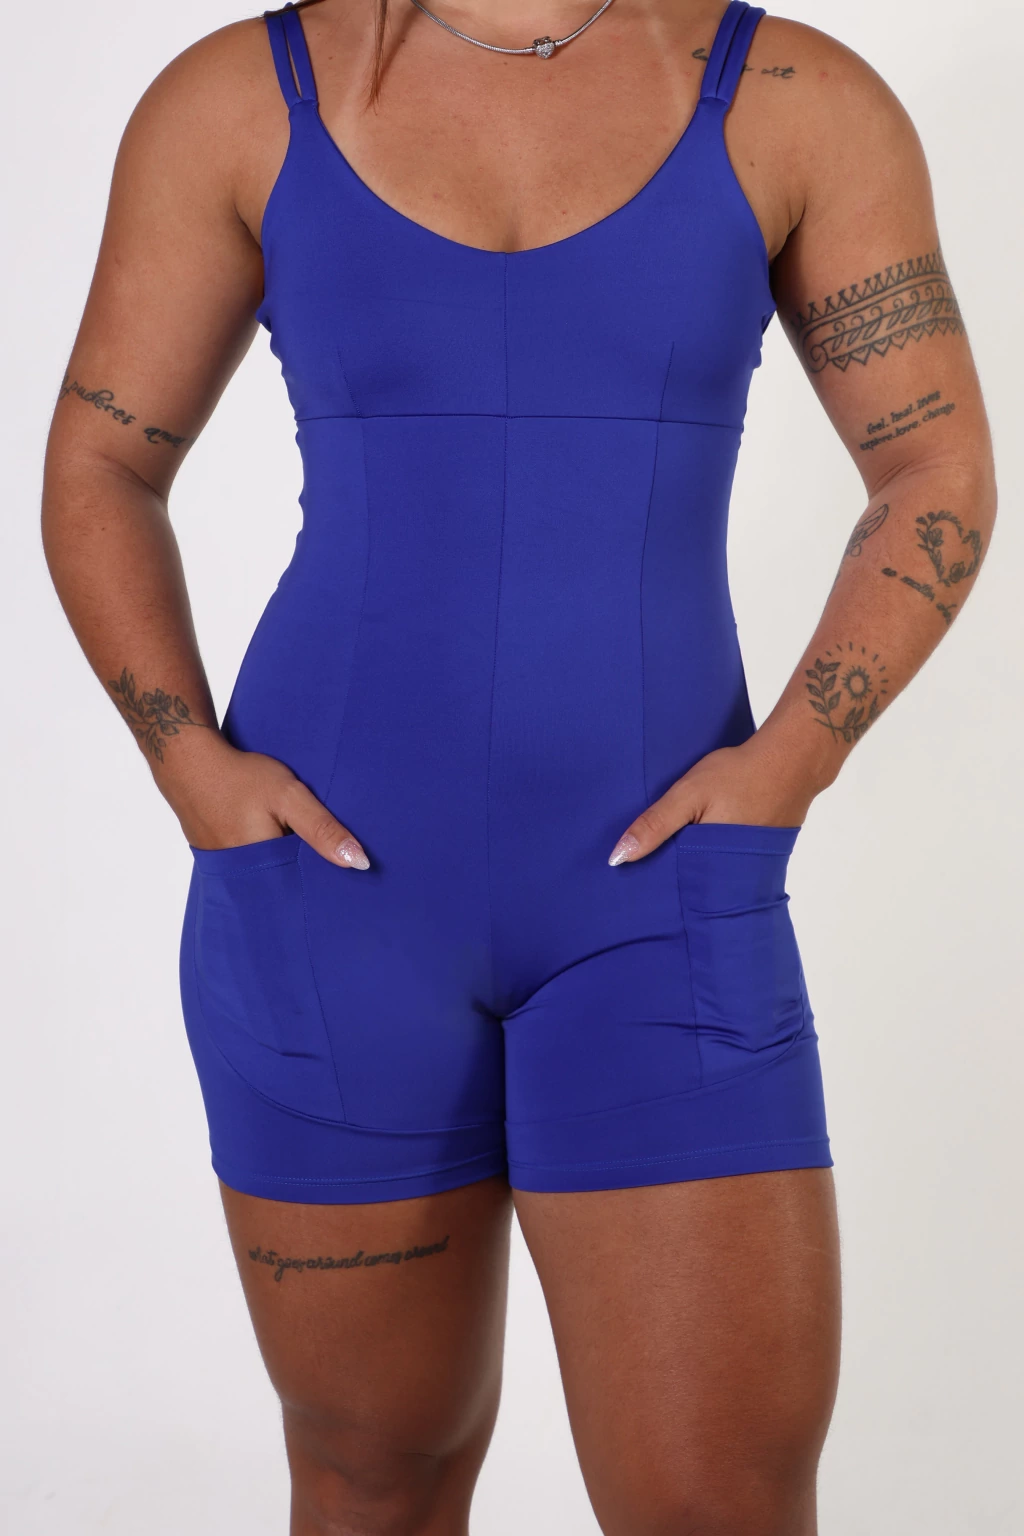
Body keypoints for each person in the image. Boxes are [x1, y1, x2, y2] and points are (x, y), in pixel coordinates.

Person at [41, 0, 996, 1530]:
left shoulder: (792, 98)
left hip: (663, 899)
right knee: (375, 1477)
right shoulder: (240, 100)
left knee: (719, 1504)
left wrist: (793, 763)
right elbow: (102, 459)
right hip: (327, 899)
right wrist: (188, 765)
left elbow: (935, 463)